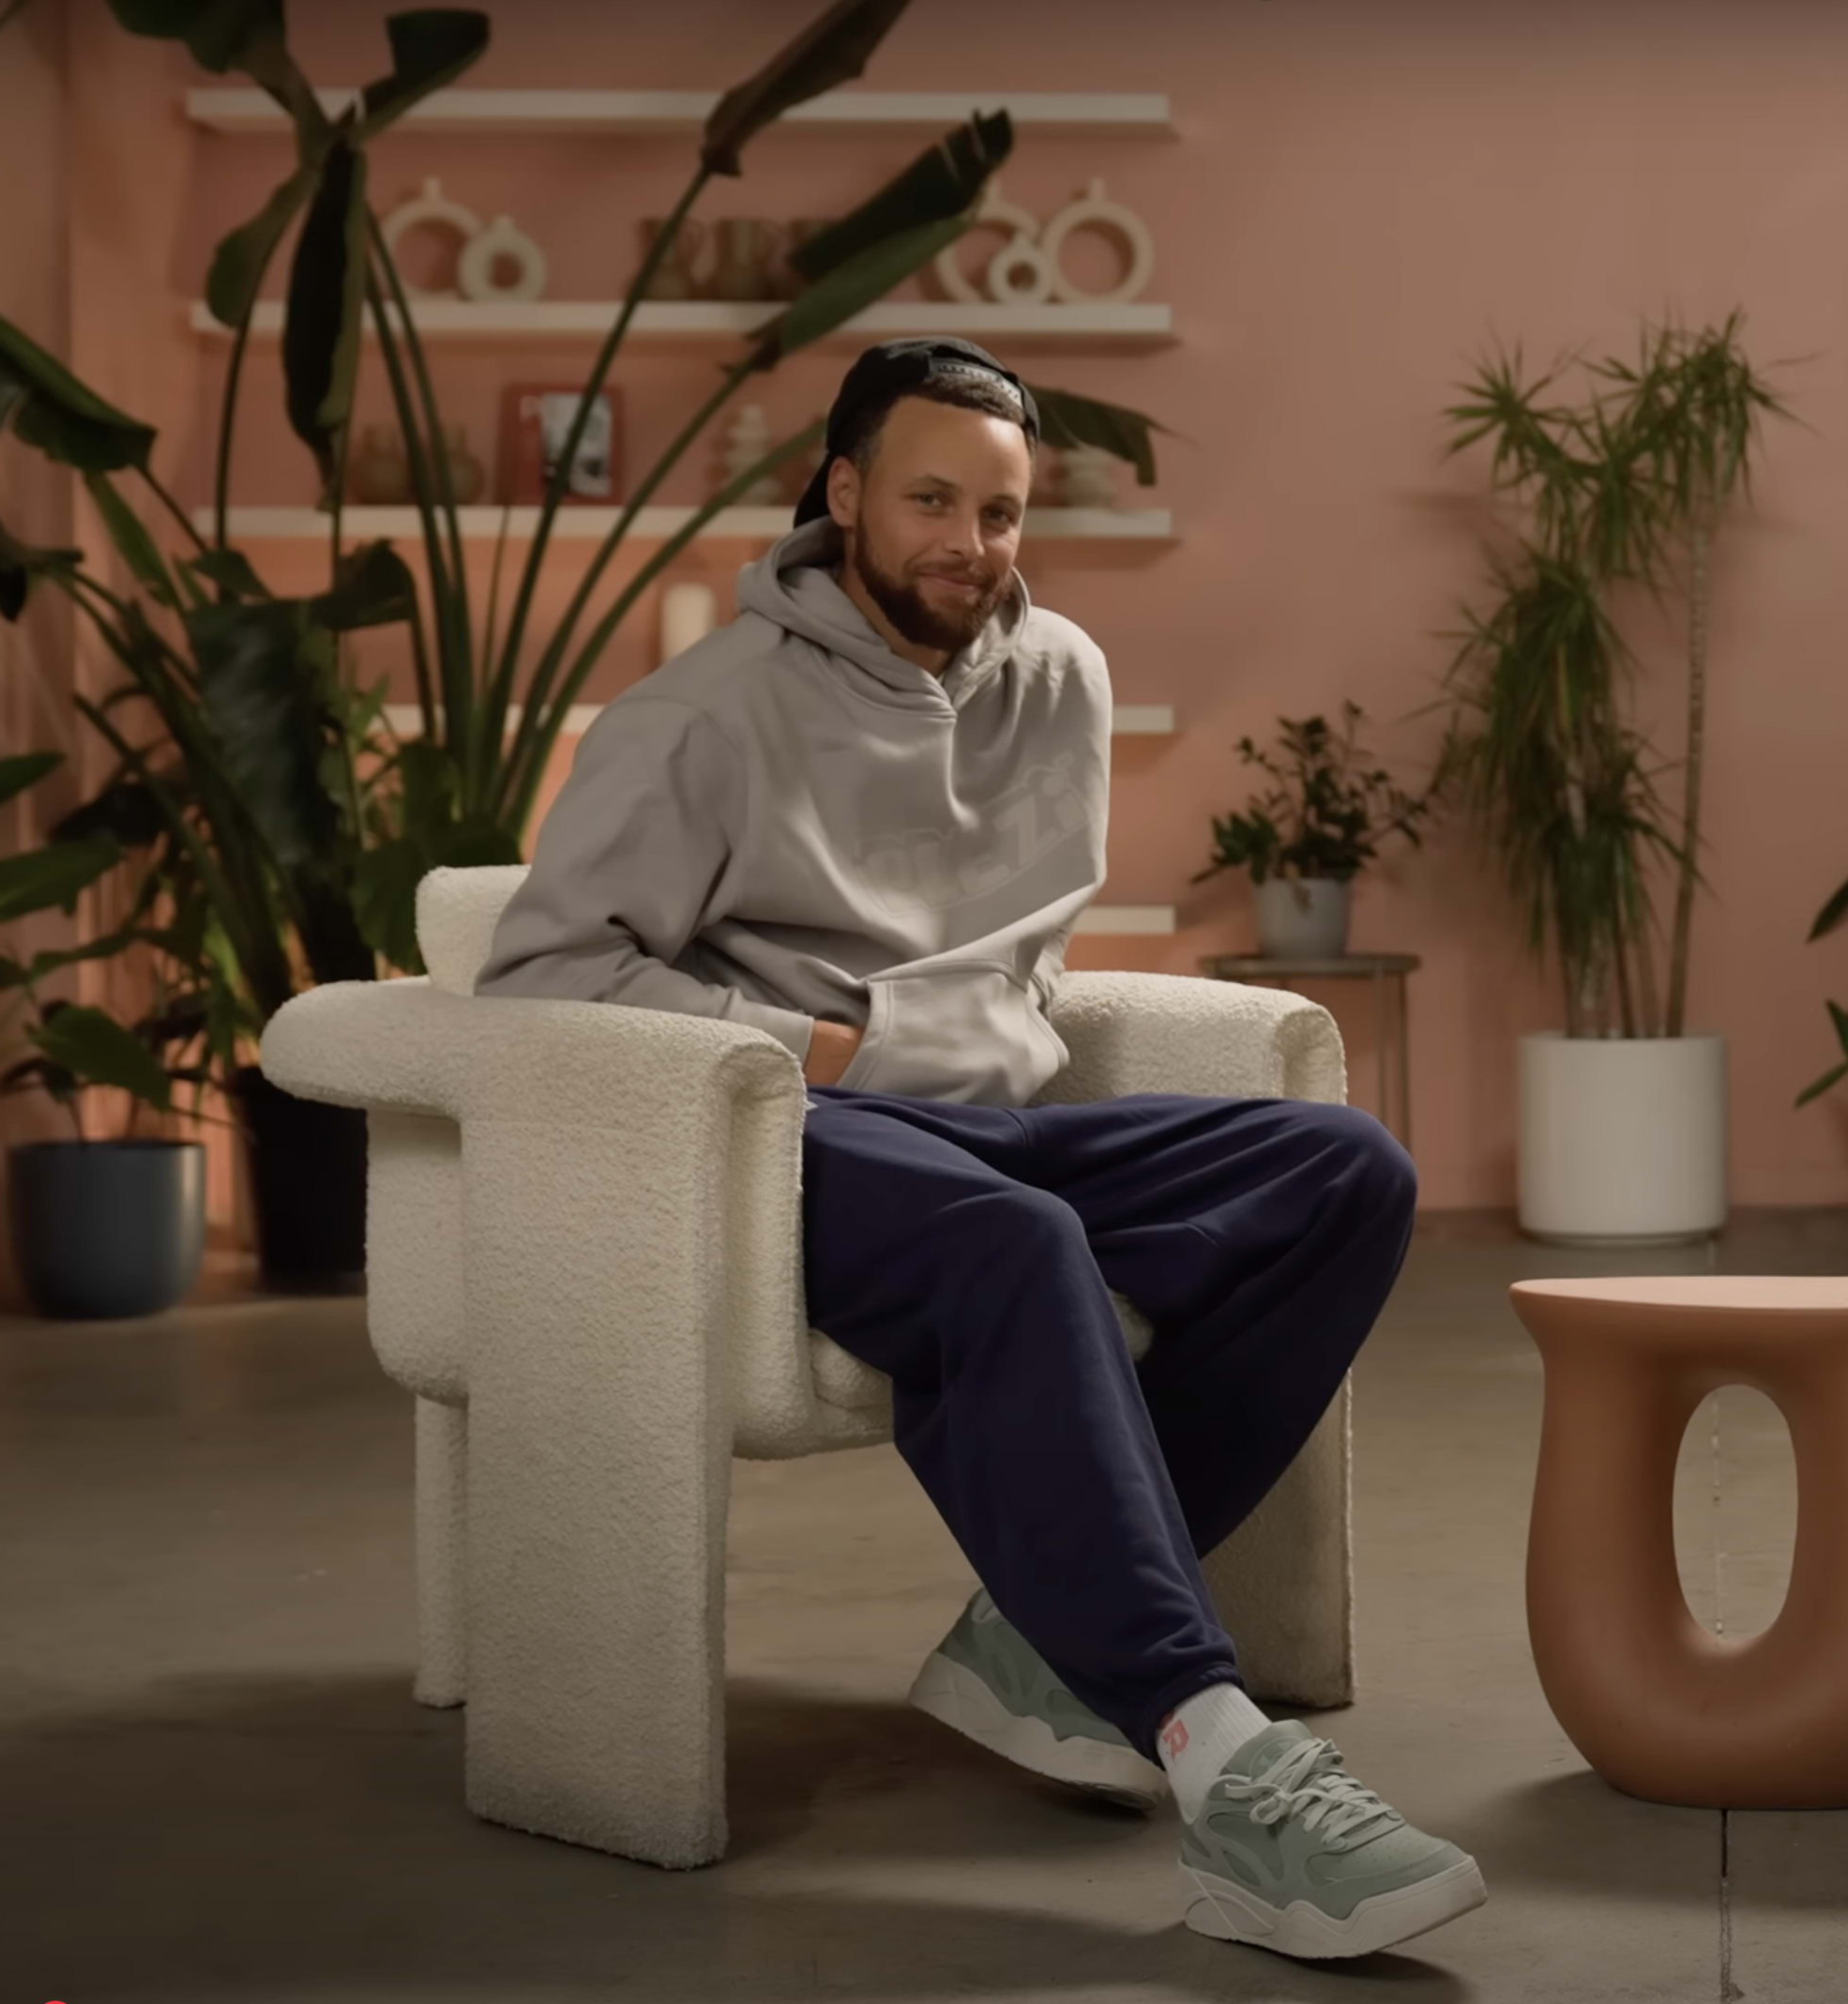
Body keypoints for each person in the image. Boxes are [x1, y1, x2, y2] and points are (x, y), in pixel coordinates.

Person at [476, 337, 1483, 1962]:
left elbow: (1023, 963)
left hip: (1003, 1127)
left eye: (1001, 512)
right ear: (844, 492)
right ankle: (1218, 1760)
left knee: (1344, 1172)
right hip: (797, 1133)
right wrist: (826, 1049)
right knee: (1017, 1243)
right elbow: (541, 980)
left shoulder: (1060, 677)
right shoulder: (700, 717)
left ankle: (1038, 1641)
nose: (970, 543)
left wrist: (970, 1058)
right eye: (931, 500)